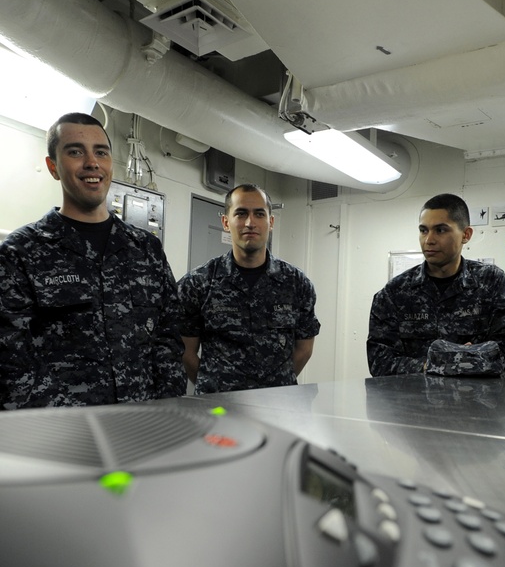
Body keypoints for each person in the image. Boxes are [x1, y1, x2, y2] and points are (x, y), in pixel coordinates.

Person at [0, 112, 184, 408]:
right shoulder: (21, 252)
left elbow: (168, 337)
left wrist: (165, 408)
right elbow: (10, 361)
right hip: (63, 438)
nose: (91, 163)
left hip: (143, 428)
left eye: (101, 152)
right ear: (53, 167)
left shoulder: (146, 248)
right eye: (75, 151)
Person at [177, 183, 320, 394]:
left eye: (259, 214)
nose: (250, 222)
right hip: (219, 410)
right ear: (226, 222)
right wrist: (215, 387)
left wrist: (274, 385)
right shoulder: (197, 283)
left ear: (270, 222)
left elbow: (304, 349)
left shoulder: (297, 284)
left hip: (278, 407)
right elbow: (185, 353)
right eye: (241, 213)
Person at [367, 193, 505, 376]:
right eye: (423, 230)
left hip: (474, 401)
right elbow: (379, 361)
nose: (429, 240)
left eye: (440, 230)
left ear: (466, 234)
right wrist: (437, 365)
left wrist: (452, 361)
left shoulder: (492, 283)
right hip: (413, 402)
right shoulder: (395, 293)